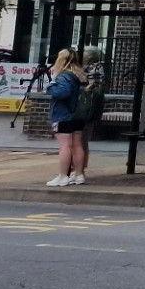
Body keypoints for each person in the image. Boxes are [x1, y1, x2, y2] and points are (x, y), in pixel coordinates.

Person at [46, 49, 88, 187]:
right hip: (78, 115)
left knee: (65, 146)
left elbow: (62, 93)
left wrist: (51, 85)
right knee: (77, 145)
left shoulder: (64, 76)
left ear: (62, 59)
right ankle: (79, 174)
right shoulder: (80, 75)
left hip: (64, 114)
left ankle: (63, 176)